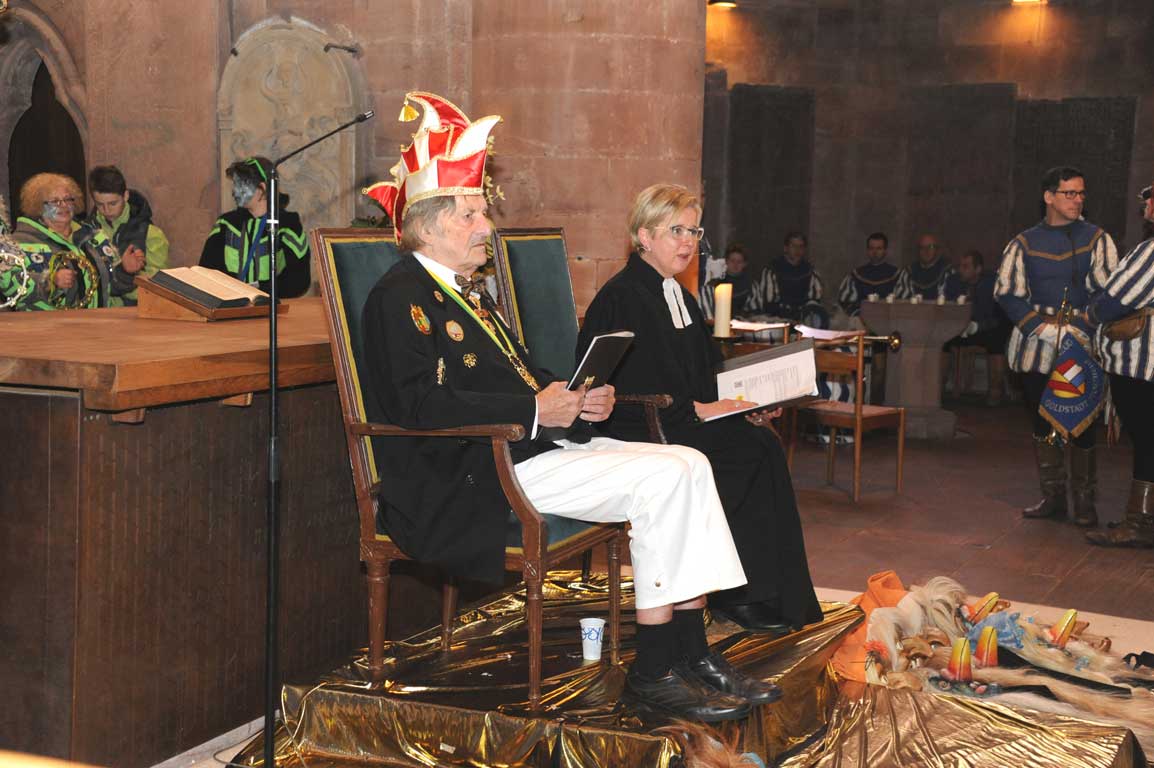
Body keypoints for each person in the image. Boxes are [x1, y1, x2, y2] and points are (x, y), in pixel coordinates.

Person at [361, 91, 777, 722]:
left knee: (691, 461)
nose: (486, 227)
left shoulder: (466, 293)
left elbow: (526, 370)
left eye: (482, 213)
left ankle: (690, 653)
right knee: (664, 476)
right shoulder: (401, 297)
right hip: (474, 471)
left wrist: (576, 399)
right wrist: (536, 411)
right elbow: (416, 402)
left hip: (527, 447)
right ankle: (655, 668)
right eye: (473, 214)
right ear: (431, 221)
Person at [577, 183, 824, 636]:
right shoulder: (623, 295)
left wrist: (745, 403)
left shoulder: (677, 294)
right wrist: (703, 409)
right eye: (676, 230)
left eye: (694, 230)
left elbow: (707, 369)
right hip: (644, 426)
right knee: (748, 452)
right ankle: (738, 595)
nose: (688, 242)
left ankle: (762, 591)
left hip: (688, 418)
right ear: (644, 236)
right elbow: (620, 385)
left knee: (759, 441)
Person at [995, 166, 1118, 526]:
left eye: (1081, 194)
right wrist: (1042, 329)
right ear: (1049, 196)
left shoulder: (1097, 238)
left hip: (1080, 341)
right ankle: (1053, 496)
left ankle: (1084, 500)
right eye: (1069, 193)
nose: (1077, 200)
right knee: (1041, 420)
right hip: (1035, 344)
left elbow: (1109, 292)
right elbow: (1007, 293)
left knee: (1080, 421)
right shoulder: (1023, 242)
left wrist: (1078, 326)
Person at [1084, 184, 1154, 548]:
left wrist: (1091, 312)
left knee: (1146, 441)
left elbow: (1117, 300)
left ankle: (1139, 524)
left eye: (1152, 198)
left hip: (1141, 364)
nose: (1146, 203)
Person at [6, 172, 141, 310]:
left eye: (68, 199)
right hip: (45, 328)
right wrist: (49, 282)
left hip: (96, 325)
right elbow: (10, 290)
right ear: (37, 206)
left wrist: (125, 270)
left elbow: (110, 288)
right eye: (54, 201)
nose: (63, 205)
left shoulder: (94, 237)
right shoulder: (19, 243)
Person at [199, 156, 310, 297]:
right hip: (230, 309)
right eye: (234, 184)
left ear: (262, 189)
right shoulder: (225, 224)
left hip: (274, 310)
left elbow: (299, 280)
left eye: (241, 185)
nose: (234, 191)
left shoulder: (288, 225)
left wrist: (262, 291)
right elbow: (206, 273)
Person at [87, 165, 170, 306]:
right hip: (97, 313)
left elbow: (157, 287)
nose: (106, 210)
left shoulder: (151, 234)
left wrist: (117, 281)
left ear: (125, 196)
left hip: (134, 313)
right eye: (100, 204)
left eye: (113, 203)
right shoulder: (85, 231)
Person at [943, 249, 1011, 405]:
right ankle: (937, 389)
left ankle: (995, 391)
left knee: (997, 338)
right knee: (942, 339)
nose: (961, 270)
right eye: (960, 265)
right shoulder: (953, 280)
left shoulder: (992, 282)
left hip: (985, 328)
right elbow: (948, 306)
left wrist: (977, 326)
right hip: (959, 328)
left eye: (966, 266)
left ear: (978, 269)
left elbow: (998, 316)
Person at [760, 231, 827, 328]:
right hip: (779, 320)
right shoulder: (772, 270)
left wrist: (803, 315)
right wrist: (788, 318)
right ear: (785, 248)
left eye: (801, 246)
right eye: (793, 246)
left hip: (803, 320)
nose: (797, 250)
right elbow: (769, 305)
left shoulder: (810, 271)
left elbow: (814, 302)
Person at [836, 232, 907, 318]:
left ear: (885, 250)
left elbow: (904, 303)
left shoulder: (897, 274)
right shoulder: (856, 275)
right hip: (861, 321)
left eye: (879, 248)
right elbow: (846, 302)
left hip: (889, 322)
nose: (875, 252)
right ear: (867, 250)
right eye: (871, 248)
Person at [698, 242, 762, 320]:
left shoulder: (751, 285)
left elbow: (755, 311)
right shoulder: (713, 285)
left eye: (739, 262)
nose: (735, 265)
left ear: (745, 264)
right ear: (726, 262)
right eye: (732, 261)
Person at [901, 234, 954, 301]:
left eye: (930, 247)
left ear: (937, 250)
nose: (926, 251)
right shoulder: (909, 271)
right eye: (922, 247)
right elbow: (903, 300)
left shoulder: (947, 270)